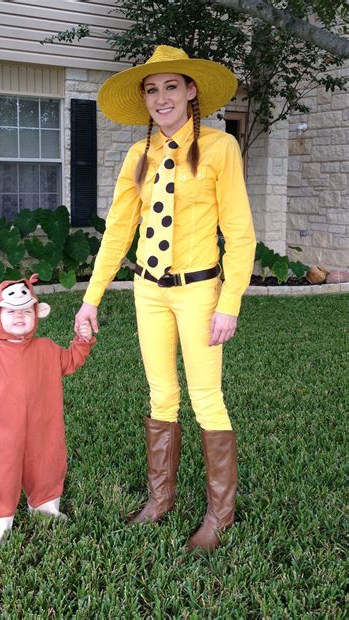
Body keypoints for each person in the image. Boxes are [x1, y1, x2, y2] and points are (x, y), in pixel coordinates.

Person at [74, 45, 256, 552]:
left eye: (171, 86)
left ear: (191, 90)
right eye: (152, 90)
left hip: (200, 291)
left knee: (206, 397)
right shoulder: (139, 155)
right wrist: (91, 299)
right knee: (161, 394)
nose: (161, 98)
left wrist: (230, 302)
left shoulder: (221, 147)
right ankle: (161, 500)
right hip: (148, 292)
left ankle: (221, 515)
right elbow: (117, 231)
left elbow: (240, 234)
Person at [0, 275, 95, 546]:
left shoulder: (47, 349)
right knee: (1, 470)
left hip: (44, 427)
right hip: (3, 433)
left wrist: (82, 340)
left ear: (38, 313)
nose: (19, 316)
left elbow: (70, 361)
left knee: (46, 462)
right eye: (10, 311)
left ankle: (45, 507)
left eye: (25, 311)